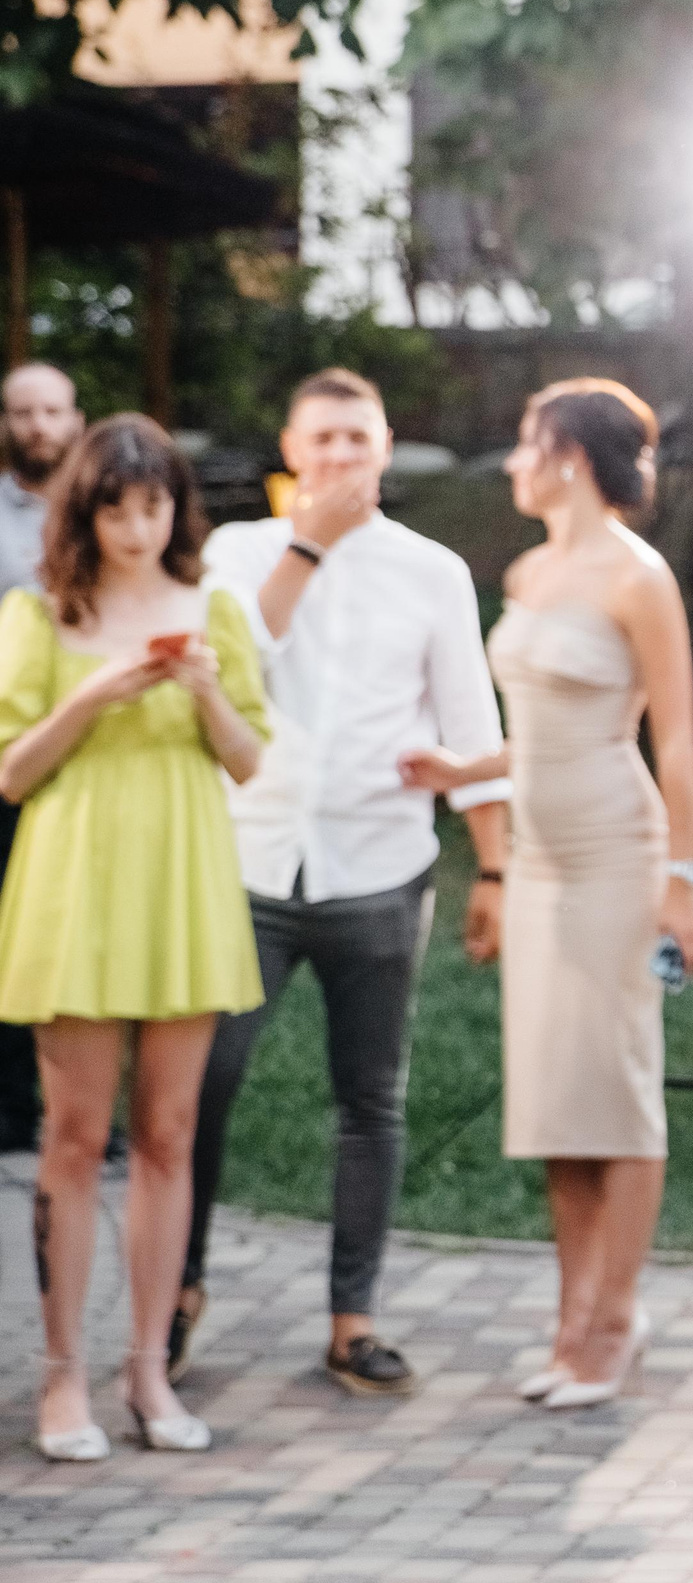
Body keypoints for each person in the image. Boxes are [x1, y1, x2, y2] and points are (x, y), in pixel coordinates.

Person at [175, 368, 513, 1397]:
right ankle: (177, 1288)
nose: (338, 459)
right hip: (250, 863)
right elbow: (243, 662)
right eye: (321, 440)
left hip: (381, 867)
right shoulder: (237, 553)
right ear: (290, 449)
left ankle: (352, 1316)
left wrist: (492, 864)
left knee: (371, 1098)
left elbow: (470, 725)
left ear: (383, 451)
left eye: (356, 442)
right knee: (202, 1083)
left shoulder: (434, 570)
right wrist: (307, 544)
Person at [399, 377, 693, 1410]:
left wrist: (682, 879)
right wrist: (458, 769)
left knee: (617, 1091)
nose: (514, 465)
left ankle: (613, 1320)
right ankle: (571, 1311)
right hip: (535, 864)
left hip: (618, 856)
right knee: (554, 1098)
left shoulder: (639, 578)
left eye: (527, 446)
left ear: (571, 455)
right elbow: (532, 729)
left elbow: (673, 739)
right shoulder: (530, 569)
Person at [0, 415, 268, 1459]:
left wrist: (202, 688)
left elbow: (248, 759)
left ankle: (148, 1368)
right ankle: (60, 1376)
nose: (134, 524)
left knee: (168, 1134)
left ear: (175, 508)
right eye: (114, 505)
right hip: (75, 883)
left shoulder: (216, 613)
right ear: (86, 509)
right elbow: (13, 770)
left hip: (182, 883)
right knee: (73, 1139)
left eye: (152, 503)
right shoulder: (39, 614)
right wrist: (100, 691)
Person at [0, 363, 83, 1155]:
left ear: (74, 417)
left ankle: (77, 1104)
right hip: (13, 741)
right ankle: (12, 1105)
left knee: (71, 928)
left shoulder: (103, 512)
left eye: (51, 411)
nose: (37, 427)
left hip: (91, 750)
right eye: (22, 412)